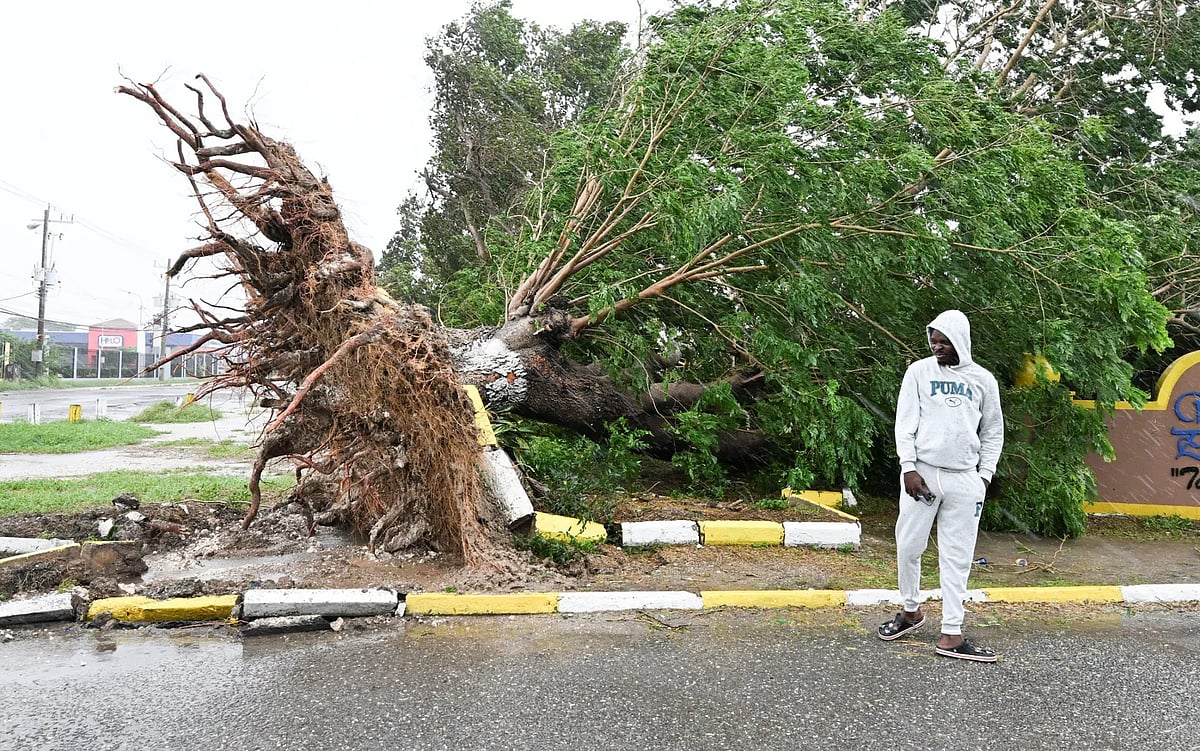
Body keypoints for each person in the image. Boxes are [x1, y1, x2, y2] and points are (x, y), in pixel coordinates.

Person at [877, 309, 1004, 662]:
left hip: (965, 479)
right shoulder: (919, 372)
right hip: (923, 474)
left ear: (960, 340)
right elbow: (904, 423)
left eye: (944, 341)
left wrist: (983, 477)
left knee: (957, 557)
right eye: (933, 341)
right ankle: (911, 611)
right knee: (908, 545)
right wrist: (908, 467)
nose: (937, 347)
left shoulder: (983, 380)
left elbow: (993, 430)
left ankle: (951, 633)